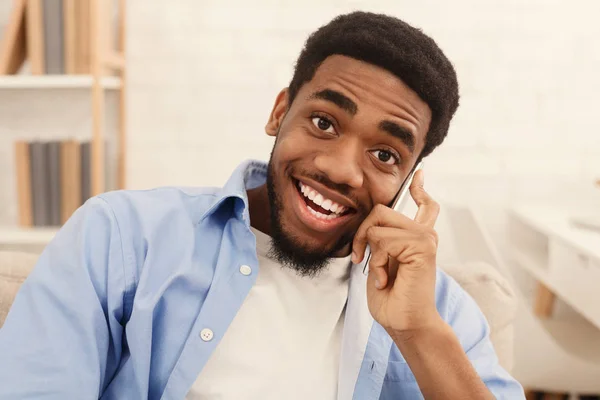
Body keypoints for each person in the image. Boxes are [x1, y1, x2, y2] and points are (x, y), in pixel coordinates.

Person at [0, 11, 524, 400]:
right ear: (280, 112)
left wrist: (417, 332)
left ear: (409, 181)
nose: (341, 169)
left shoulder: (439, 313)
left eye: (384, 154)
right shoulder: (121, 237)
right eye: (323, 122)